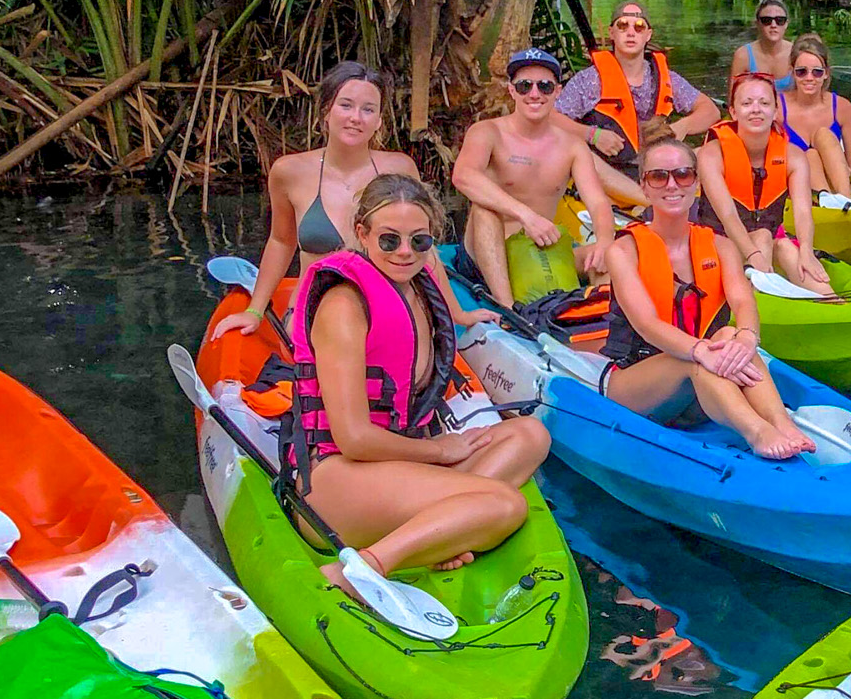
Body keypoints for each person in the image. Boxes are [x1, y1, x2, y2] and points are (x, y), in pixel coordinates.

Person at [288, 176, 552, 588]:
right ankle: (363, 569)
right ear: (363, 234)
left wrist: (432, 454)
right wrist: (437, 450)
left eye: (420, 241)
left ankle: (446, 527)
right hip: (335, 476)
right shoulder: (344, 304)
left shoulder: (417, 291)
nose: (405, 252)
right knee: (506, 505)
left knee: (531, 435)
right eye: (390, 240)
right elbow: (354, 438)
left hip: (398, 464)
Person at [217, 61, 488, 338]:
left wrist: (457, 313)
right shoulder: (289, 171)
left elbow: (422, 247)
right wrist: (255, 310)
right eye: (345, 105)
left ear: (379, 120)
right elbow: (281, 241)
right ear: (326, 111)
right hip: (315, 307)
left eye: (368, 109)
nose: (356, 117)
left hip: (387, 306)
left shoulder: (400, 168)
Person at [601, 134, 818, 460]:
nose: (671, 185)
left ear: (696, 183)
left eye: (682, 175)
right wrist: (701, 350)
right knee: (698, 361)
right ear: (644, 187)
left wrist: (746, 338)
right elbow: (646, 324)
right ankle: (757, 432)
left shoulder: (720, 246)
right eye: (659, 176)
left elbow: (743, 302)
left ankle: (780, 423)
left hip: (706, 373)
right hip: (637, 381)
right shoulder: (623, 250)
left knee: (730, 336)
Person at [450, 48, 634, 306]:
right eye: (525, 86)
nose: (534, 94)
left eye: (545, 87)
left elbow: (598, 203)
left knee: (610, 253)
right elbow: (463, 176)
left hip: (543, 251)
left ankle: (597, 321)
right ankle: (508, 310)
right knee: (484, 209)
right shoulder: (487, 132)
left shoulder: (572, 146)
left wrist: (604, 242)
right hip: (488, 255)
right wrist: (526, 216)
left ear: (557, 92)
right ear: (512, 90)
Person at [700, 72, 833, 295]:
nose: (756, 109)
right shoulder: (712, 155)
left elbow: (802, 212)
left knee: (785, 247)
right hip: (719, 242)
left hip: (769, 241)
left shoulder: (794, 156)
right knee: (762, 237)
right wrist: (754, 255)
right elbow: (728, 216)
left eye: (764, 103)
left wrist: (807, 252)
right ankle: (754, 305)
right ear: (733, 111)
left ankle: (832, 302)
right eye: (746, 103)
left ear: (775, 111)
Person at [556, 0, 720, 169]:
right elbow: (552, 118)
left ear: (648, 34)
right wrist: (592, 135)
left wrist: (682, 126)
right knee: (585, 158)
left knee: (715, 151)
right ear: (611, 32)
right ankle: (645, 194)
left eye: (639, 27)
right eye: (623, 26)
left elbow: (711, 111)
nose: (631, 32)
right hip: (609, 169)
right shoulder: (590, 80)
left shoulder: (667, 79)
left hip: (657, 165)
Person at [779, 35, 851, 200]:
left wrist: (842, 171)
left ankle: (841, 200)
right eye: (801, 72)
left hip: (836, 183)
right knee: (809, 156)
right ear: (792, 73)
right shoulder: (777, 108)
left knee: (824, 135)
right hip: (795, 188)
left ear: (826, 73)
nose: (809, 78)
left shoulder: (842, 106)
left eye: (817, 72)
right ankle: (837, 202)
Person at [729, 0, 797, 91]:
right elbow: (734, 98)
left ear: (786, 24)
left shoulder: (797, 53)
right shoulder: (743, 56)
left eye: (779, 20)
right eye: (766, 21)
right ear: (757, 23)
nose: (773, 25)